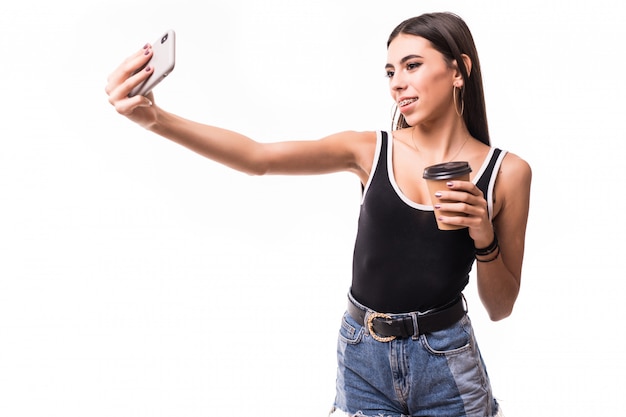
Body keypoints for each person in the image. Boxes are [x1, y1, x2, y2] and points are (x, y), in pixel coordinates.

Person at [106, 11, 531, 417]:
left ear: (458, 70)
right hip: (365, 359)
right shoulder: (369, 150)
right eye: (390, 72)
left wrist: (483, 234)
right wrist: (156, 119)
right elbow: (259, 157)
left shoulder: (506, 173)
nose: (398, 84)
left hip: (447, 362)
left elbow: (500, 307)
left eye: (412, 65)